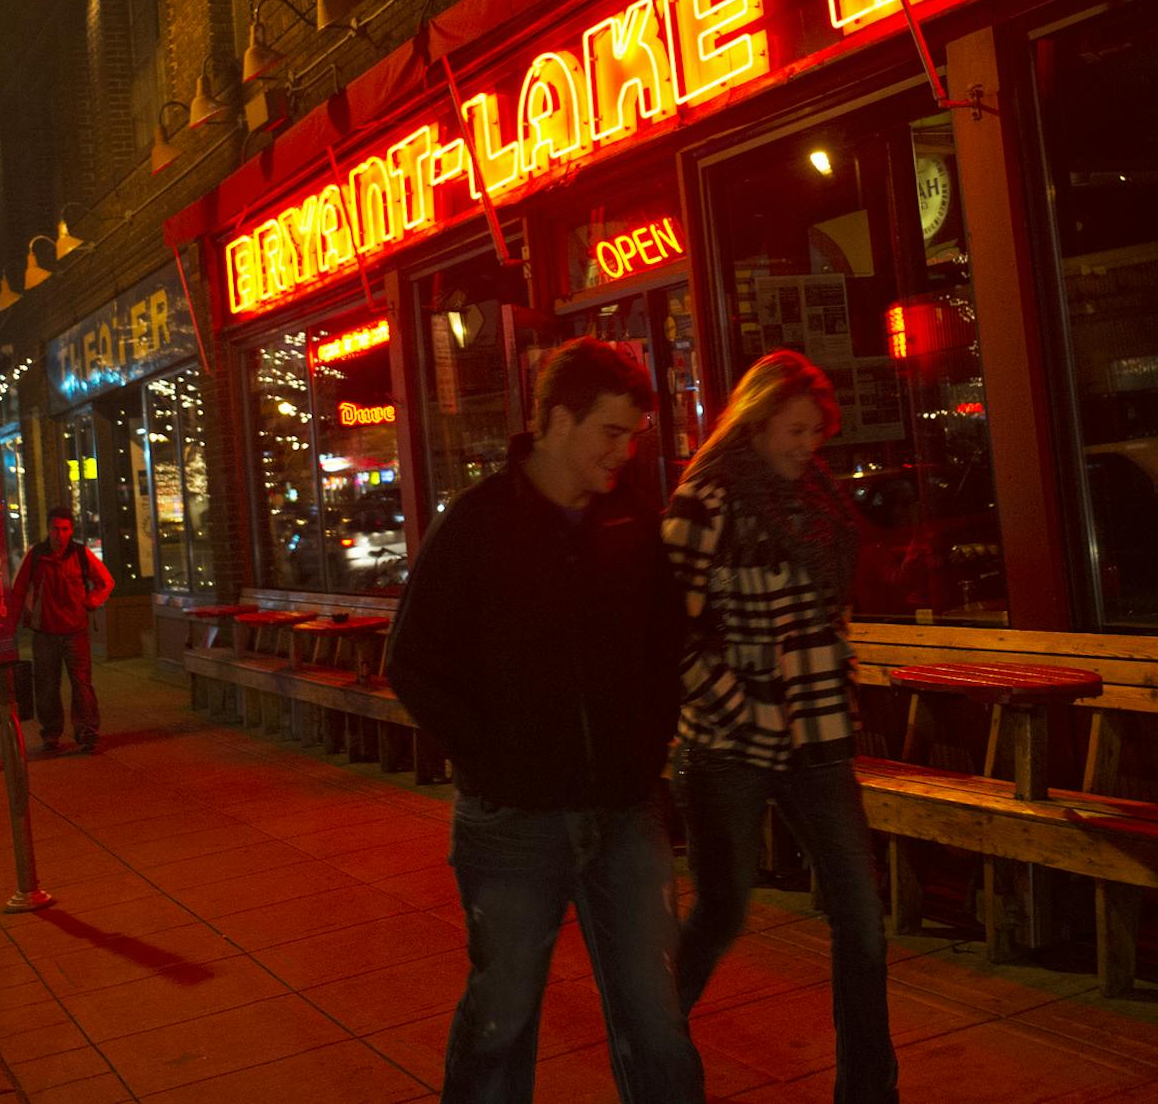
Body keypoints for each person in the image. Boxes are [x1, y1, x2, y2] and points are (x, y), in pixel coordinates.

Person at [385, 338, 701, 1104]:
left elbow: (669, 644)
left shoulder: (630, 520)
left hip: (625, 813)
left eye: (632, 436)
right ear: (560, 419)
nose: (623, 453)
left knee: (657, 1018)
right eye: (611, 432)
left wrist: (645, 745)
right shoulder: (479, 523)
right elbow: (412, 660)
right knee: (501, 1019)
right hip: (514, 824)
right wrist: (494, 760)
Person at [664, 350, 898, 1104]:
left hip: (818, 739)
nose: (808, 446)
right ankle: (653, 1042)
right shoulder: (706, 499)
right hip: (729, 743)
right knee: (723, 906)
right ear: (758, 422)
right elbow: (667, 630)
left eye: (816, 433)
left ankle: (869, 1090)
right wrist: (743, 706)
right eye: (797, 430)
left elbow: (824, 612)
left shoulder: (819, 501)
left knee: (861, 914)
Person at [1, 506, 114, 754]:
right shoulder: (36, 556)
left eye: (64, 529)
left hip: (75, 630)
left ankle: (87, 730)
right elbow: (19, 590)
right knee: (47, 686)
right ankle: (51, 733)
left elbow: (105, 581)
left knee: (82, 684)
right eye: (55, 529)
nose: (59, 534)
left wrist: (92, 601)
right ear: (48, 530)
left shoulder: (81, 554)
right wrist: (11, 627)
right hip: (45, 633)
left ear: (71, 530)